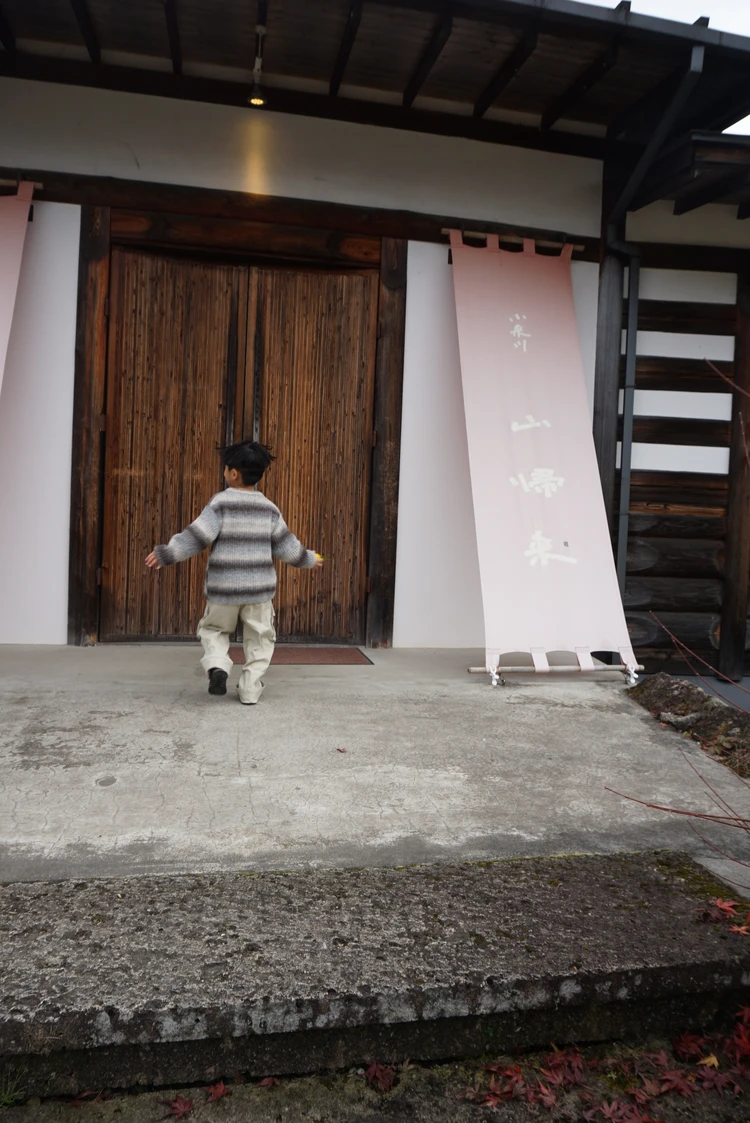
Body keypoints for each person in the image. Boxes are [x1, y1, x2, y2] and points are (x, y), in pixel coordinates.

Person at [145, 441, 323, 705]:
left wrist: (167, 553)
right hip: (259, 591)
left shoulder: (221, 503)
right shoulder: (269, 509)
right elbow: (286, 547)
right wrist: (309, 559)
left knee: (214, 629)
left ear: (234, 474)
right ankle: (250, 688)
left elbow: (197, 536)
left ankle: (218, 665)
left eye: (225, 468)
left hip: (223, 588)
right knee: (260, 638)